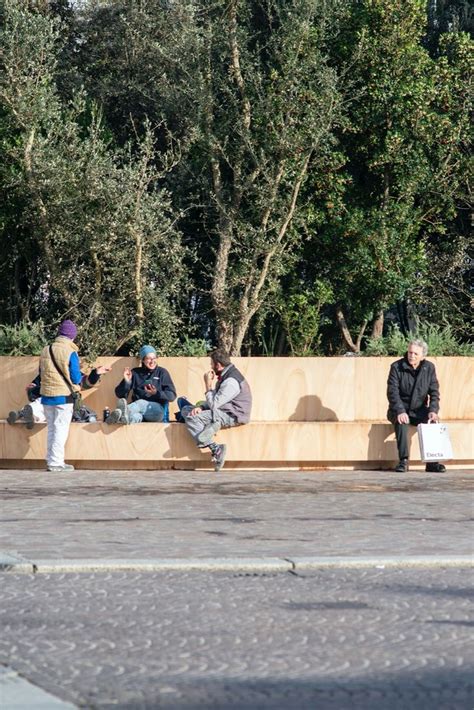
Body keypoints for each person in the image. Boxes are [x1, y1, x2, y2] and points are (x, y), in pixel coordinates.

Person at [178, 348, 252, 471]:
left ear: (218, 365)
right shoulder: (225, 375)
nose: (211, 367)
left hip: (233, 415)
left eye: (212, 364)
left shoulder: (230, 381)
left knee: (191, 417)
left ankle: (216, 449)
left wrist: (208, 385)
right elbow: (215, 400)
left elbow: (214, 404)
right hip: (223, 410)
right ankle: (212, 425)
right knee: (186, 409)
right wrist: (201, 407)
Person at [387, 338, 446, 473]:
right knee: (402, 421)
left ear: (423, 356)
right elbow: (392, 392)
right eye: (410, 352)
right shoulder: (396, 367)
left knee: (432, 421)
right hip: (399, 409)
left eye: (415, 354)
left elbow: (434, 392)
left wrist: (433, 410)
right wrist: (400, 411)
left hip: (419, 410)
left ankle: (432, 462)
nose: (411, 356)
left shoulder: (429, 368)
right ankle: (403, 460)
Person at [8, 365, 108, 429]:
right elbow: (33, 392)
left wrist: (96, 373)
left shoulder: (70, 371)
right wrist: (31, 389)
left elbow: (85, 383)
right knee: (41, 403)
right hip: (49, 404)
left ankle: (22, 414)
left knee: (43, 406)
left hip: (67, 404)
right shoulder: (46, 372)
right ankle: (25, 414)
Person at [107, 345, 176, 424]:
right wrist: (127, 382)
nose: (152, 361)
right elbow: (119, 394)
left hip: (157, 412)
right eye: (149, 358)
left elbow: (172, 395)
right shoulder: (135, 373)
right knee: (134, 417)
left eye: (154, 358)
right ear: (143, 360)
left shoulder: (162, 372)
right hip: (139, 413)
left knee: (140, 403)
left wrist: (156, 393)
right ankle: (120, 418)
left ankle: (120, 414)